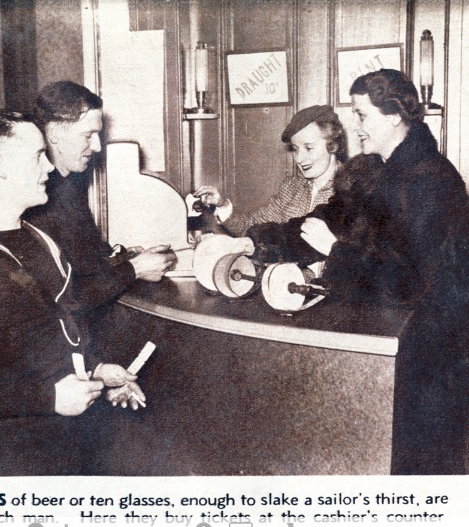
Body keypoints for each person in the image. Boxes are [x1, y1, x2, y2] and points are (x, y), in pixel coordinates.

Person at [243, 69, 469, 474]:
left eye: (362, 115)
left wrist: (336, 251)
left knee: (416, 468)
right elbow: (323, 221)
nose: (357, 128)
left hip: (429, 355)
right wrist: (256, 240)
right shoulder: (376, 172)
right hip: (391, 344)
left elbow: (410, 282)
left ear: (394, 116)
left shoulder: (432, 180)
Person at [0, 110, 144, 476]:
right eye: (37, 155)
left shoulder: (40, 239)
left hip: (68, 445)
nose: (49, 168)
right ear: (0, 166)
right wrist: (50, 398)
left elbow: (52, 327)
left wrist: (96, 369)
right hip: (6, 458)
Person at [27, 81, 177, 313]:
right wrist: (135, 269)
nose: (97, 146)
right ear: (55, 133)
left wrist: (121, 257)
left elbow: (82, 264)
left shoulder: (66, 186)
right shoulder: (39, 198)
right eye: (88, 135)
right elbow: (64, 298)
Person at [194, 104, 347, 237]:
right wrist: (222, 204)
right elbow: (252, 227)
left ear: (332, 145)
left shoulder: (354, 189)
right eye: (295, 149)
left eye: (309, 148)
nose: (299, 159)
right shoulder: (292, 187)